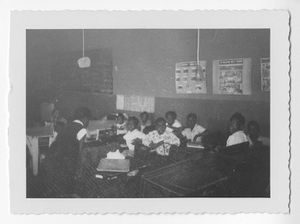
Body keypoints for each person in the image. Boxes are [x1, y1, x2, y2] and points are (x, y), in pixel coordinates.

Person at [43, 107, 91, 197]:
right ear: (85, 118)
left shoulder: (67, 125)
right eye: (88, 120)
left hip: (53, 159)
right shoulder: (82, 129)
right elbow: (80, 152)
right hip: (66, 164)